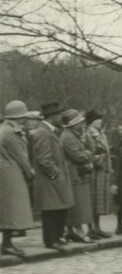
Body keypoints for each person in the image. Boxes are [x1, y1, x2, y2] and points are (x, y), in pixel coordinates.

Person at [28, 102, 74, 250]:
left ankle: (57, 237)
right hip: (49, 180)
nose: (61, 118)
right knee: (51, 210)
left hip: (53, 179)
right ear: (52, 117)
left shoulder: (51, 131)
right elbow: (43, 159)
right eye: (59, 116)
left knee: (59, 209)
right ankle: (50, 240)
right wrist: (56, 176)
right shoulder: (43, 132)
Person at [0, 101, 35, 257]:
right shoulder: (8, 132)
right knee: (11, 210)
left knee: (10, 210)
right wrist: (30, 173)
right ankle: (6, 244)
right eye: (23, 116)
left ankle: (7, 243)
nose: (25, 119)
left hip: (9, 173)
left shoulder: (8, 130)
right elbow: (20, 156)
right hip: (10, 174)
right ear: (17, 117)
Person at [60, 109, 95, 244]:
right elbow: (78, 156)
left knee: (79, 203)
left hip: (77, 173)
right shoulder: (68, 137)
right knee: (77, 204)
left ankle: (72, 231)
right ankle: (78, 232)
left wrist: (86, 153)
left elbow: (85, 151)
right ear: (73, 124)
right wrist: (89, 155)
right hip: (73, 173)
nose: (81, 124)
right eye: (79, 122)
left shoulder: (74, 135)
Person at [84, 110, 112, 238]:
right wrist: (97, 157)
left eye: (100, 119)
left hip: (102, 171)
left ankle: (97, 227)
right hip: (93, 171)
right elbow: (87, 153)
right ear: (91, 122)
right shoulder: (88, 134)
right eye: (96, 120)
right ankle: (90, 229)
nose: (99, 122)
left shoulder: (102, 134)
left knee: (99, 201)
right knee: (91, 200)